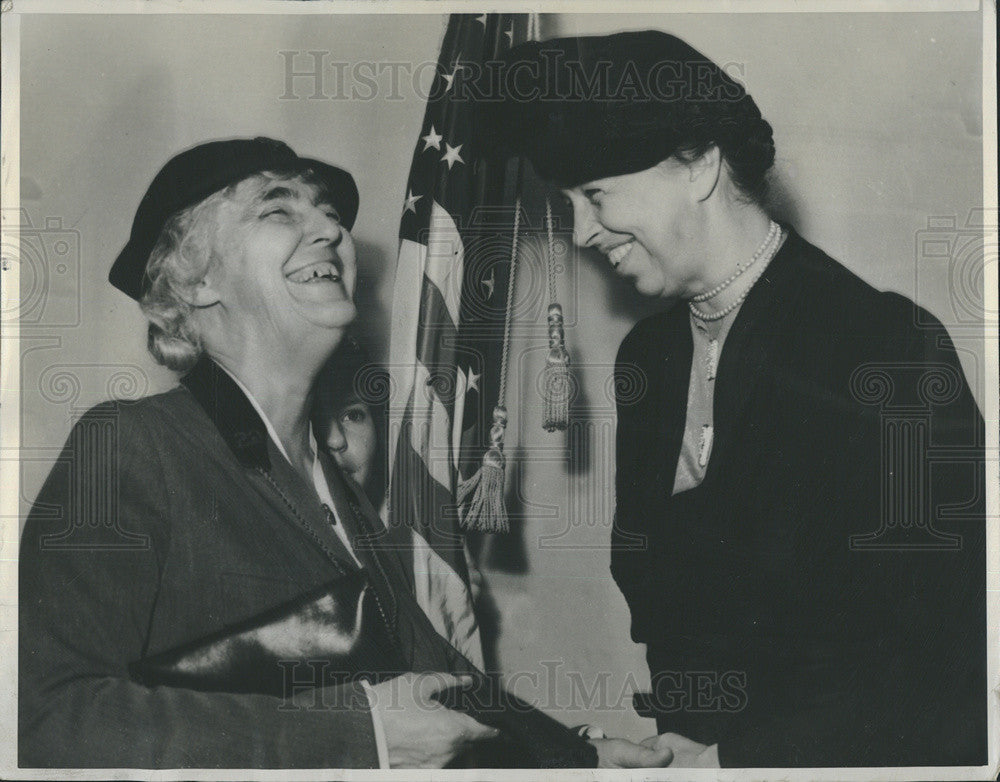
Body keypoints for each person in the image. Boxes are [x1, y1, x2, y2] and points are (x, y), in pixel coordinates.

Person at [18, 136, 674, 770]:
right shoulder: (129, 445)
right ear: (195, 282)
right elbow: (42, 720)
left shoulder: (337, 484)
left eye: (329, 216)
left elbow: (436, 680)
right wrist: (362, 737)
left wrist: (577, 754)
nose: (330, 232)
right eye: (280, 211)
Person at [486, 31, 987, 767]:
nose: (583, 232)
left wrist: (732, 762)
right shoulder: (649, 358)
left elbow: (944, 659)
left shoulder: (882, 345)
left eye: (594, 196)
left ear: (699, 167)